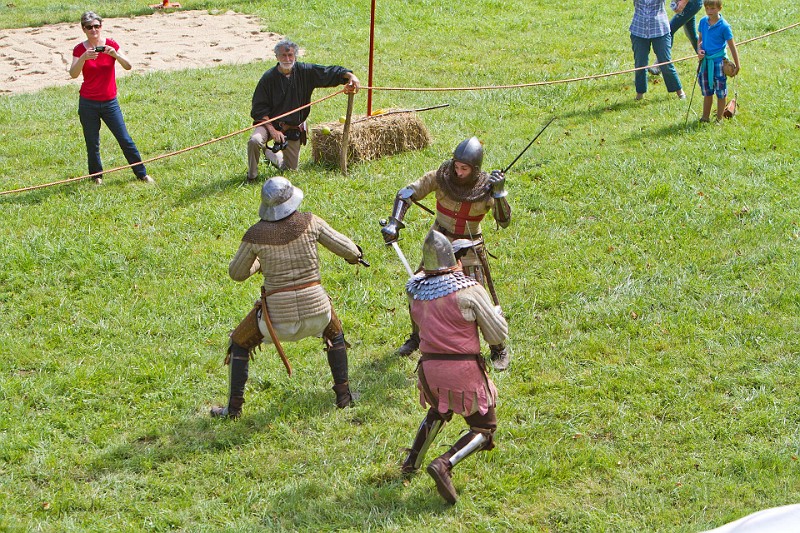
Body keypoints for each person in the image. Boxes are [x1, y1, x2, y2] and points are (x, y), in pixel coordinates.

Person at [211, 176, 367, 418]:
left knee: (239, 343)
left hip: (275, 323)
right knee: (335, 334)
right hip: (318, 314)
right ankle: (344, 397)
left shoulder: (255, 234)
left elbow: (237, 273)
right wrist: (355, 256)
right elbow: (347, 248)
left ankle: (233, 410)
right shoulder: (310, 222)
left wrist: (259, 264)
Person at [380, 137, 512, 371]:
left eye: (464, 169)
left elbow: (503, 221)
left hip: (469, 248)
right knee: (418, 290)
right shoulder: (441, 178)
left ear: (475, 170)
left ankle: (497, 347)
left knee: (479, 300)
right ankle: (418, 337)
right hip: (438, 244)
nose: (458, 172)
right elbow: (407, 193)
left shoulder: (485, 189)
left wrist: (500, 194)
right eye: (456, 166)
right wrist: (394, 223)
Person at [399, 230, 508, 505]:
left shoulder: (416, 292)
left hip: (429, 369)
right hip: (463, 370)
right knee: (485, 428)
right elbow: (495, 335)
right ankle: (444, 464)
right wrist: (496, 317)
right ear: (453, 259)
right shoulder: (470, 290)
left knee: (440, 410)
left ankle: (411, 462)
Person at [246, 39, 361, 180]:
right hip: (269, 124)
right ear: (276, 57)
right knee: (255, 140)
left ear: (295, 56)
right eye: (283, 55)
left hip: (293, 127)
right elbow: (259, 109)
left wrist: (350, 76)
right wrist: (273, 131)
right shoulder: (268, 78)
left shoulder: (305, 71)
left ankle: (270, 154)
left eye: (290, 55)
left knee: (290, 170)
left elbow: (327, 72)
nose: (287, 59)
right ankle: (252, 176)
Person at [68, 12, 154, 185]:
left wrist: (115, 55)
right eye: (89, 27)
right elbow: (73, 74)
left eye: (96, 26)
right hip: (88, 103)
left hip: (109, 103)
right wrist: (84, 58)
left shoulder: (111, 44)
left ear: (101, 27)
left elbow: (128, 66)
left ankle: (141, 173)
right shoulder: (80, 49)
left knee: (125, 139)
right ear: (83, 29)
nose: (94, 30)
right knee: (92, 142)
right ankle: (96, 177)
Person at [629, 0, 687, 100]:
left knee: (665, 62)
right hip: (638, 30)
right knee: (640, 64)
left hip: (660, 29)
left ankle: (679, 91)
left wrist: (682, 3)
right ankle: (640, 93)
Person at [697, 0, 740, 123]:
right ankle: (705, 117)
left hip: (719, 63)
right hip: (705, 62)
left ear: (719, 8)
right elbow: (700, 38)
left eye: (712, 8)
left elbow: (732, 46)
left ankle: (719, 119)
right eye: (707, 9)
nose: (709, 11)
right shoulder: (703, 22)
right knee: (707, 91)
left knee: (721, 92)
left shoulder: (724, 26)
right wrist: (699, 50)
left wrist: (737, 64)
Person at [648, 0, 703, 75]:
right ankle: (706, 60)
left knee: (669, 30)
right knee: (691, 35)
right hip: (690, 3)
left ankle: (660, 65)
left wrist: (683, 2)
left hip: (691, 3)